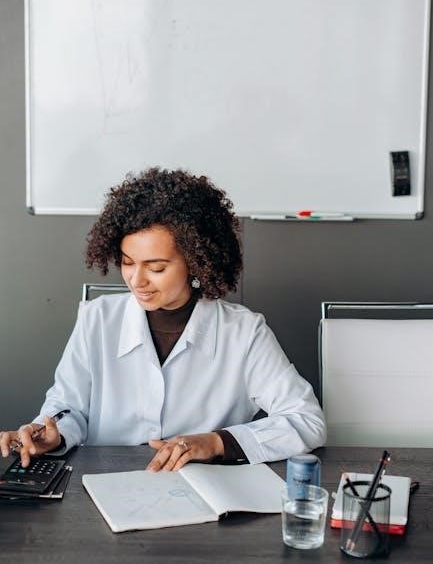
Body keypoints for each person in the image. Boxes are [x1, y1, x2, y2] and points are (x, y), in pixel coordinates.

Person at [0, 168, 326, 470]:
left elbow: (306, 420)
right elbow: (67, 405)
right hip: (103, 484)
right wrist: (51, 432)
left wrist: (215, 442)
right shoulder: (97, 318)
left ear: (196, 261)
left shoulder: (243, 331)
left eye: (156, 268)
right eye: (128, 262)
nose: (136, 280)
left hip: (204, 491)